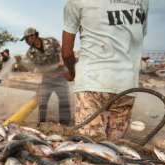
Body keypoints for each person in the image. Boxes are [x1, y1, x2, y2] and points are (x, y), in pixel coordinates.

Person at [62, 0, 149, 140]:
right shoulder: (142, 1)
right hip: (126, 85)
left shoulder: (76, 2)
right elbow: (135, 40)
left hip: (91, 84)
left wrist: (72, 73)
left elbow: (66, 53)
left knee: (91, 150)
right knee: (113, 149)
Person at [21, 27, 71, 126]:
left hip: (60, 76)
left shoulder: (51, 41)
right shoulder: (30, 53)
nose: (26, 41)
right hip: (47, 78)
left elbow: (61, 52)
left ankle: (64, 124)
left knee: (63, 100)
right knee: (43, 101)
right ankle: (41, 123)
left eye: (27, 39)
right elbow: (37, 68)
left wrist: (63, 63)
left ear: (33, 35)